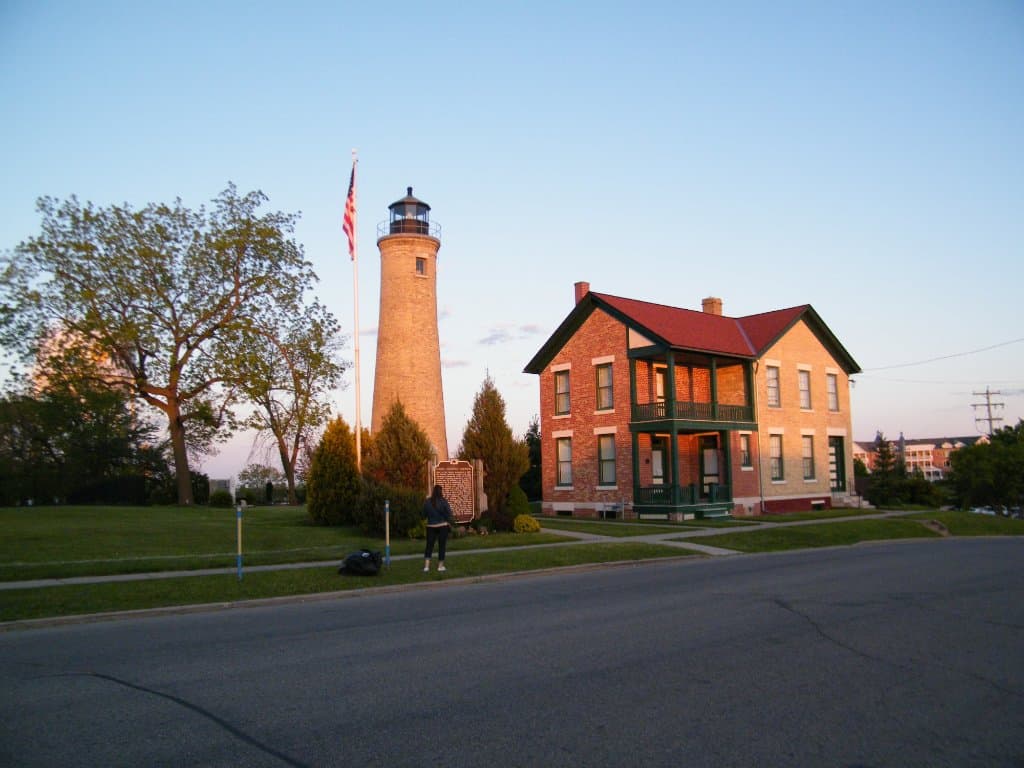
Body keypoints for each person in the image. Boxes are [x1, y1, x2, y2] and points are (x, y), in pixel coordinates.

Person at [422, 484, 454, 572]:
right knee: (442, 546)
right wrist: (448, 521)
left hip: (430, 526)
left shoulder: (427, 501)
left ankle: (426, 566)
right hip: (442, 526)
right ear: (441, 492)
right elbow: (449, 514)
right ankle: (440, 566)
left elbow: (423, 515)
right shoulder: (443, 501)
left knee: (429, 546)